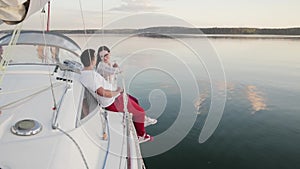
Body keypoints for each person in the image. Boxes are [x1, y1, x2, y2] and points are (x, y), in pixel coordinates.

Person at [79, 49, 153, 143]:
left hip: (114, 97)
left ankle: (140, 122)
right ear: (93, 60)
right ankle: (141, 136)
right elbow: (102, 92)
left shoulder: (85, 73)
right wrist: (117, 91)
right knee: (140, 112)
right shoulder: (90, 76)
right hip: (112, 101)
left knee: (135, 101)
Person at [96, 46, 157, 127]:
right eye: (102, 56)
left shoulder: (108, 64)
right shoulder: (101, 65)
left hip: (114, 91)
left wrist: (114, 65)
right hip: (110, 95)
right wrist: (126, 64)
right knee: (130, 104)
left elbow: (113, 71)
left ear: (109, 53)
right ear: (99, 57)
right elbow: (115, 71)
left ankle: (142, 119)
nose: (105, 57)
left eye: (106, 55)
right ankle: (140, 121)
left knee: (135, 100)